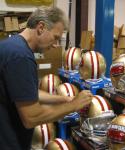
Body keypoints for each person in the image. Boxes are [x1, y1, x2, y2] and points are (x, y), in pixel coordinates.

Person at [0, 6, 93, 150]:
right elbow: (31, 118)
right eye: (55, 37)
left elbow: (25, 93)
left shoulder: (11, 46)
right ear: (41, 27)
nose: (56, 45)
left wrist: (63, 99)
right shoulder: (21, 57)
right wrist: (73, 106)